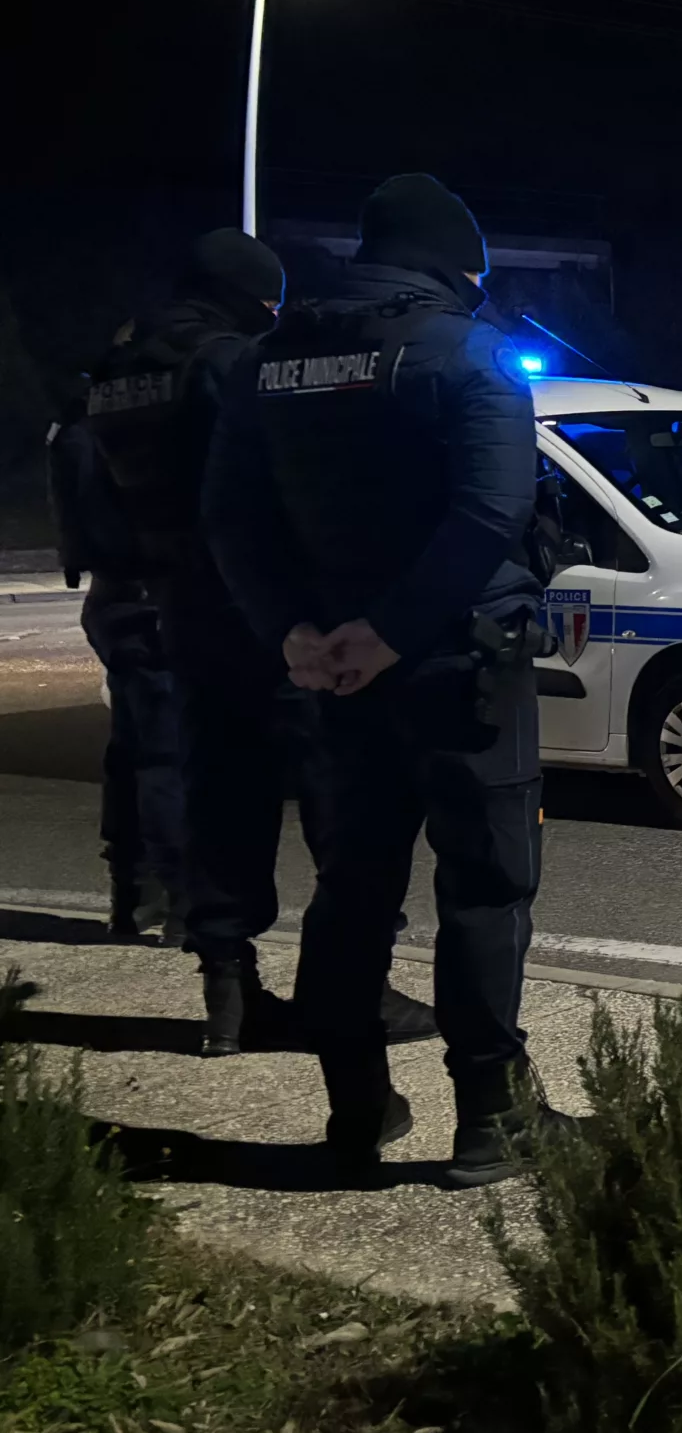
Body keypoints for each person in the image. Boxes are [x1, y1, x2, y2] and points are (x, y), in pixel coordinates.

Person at [206, 174, 562, 1185]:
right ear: (462, 263)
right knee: (485, 895)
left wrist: (298, 635)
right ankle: (493, 1120)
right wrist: (393, 633)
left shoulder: (267, 362)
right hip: (458, 666)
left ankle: (355, 1113)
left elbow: (231, 520)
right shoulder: (468, 354)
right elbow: (491, 513)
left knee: (351, 893)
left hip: (332, 679)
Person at [82, 231, 435, 1056]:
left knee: (221, 797)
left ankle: (228, 996)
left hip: (177, 608)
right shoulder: (229, 363)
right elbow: (273, 477)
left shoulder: (116, 373)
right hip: (265, 608)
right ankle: (353, 989)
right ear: (249, 293)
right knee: (335, 793)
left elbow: (93, 496)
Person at [48, 368, 187, 936]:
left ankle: (136, 893)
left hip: (117, 595)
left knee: (136, 751)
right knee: (170, 755)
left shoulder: (95, 397)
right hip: (157, 597)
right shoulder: (181, 384)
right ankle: (182, 900)